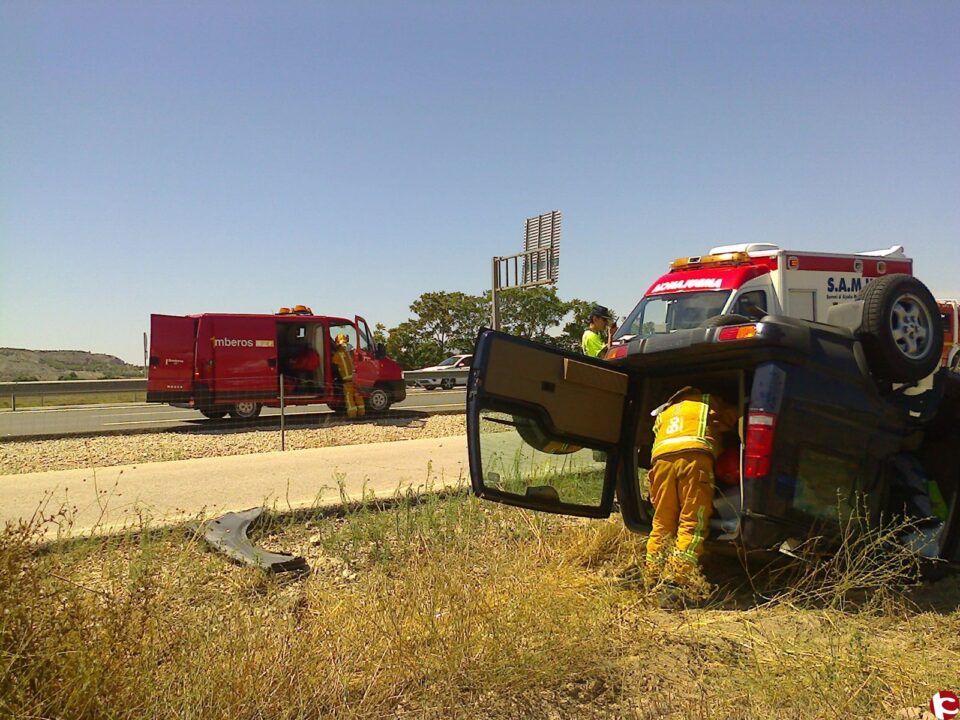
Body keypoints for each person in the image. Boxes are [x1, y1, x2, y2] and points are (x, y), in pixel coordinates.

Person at [645, 386, 739, 602]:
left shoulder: (665, 411)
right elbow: (731, 420)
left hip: (661, 462)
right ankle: (676, 581)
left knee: (662, 522)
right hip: (694, 459)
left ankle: (652, 576)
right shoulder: (708, 402)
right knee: (691, 523)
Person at [331, 333, 365, 418]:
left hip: (346, 380)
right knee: (358, 396)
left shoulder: (337, 354)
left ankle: (352, 415)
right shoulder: (352, 351)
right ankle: (361, 413)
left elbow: (333, 363)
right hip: (356, 378)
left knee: (349, 398)